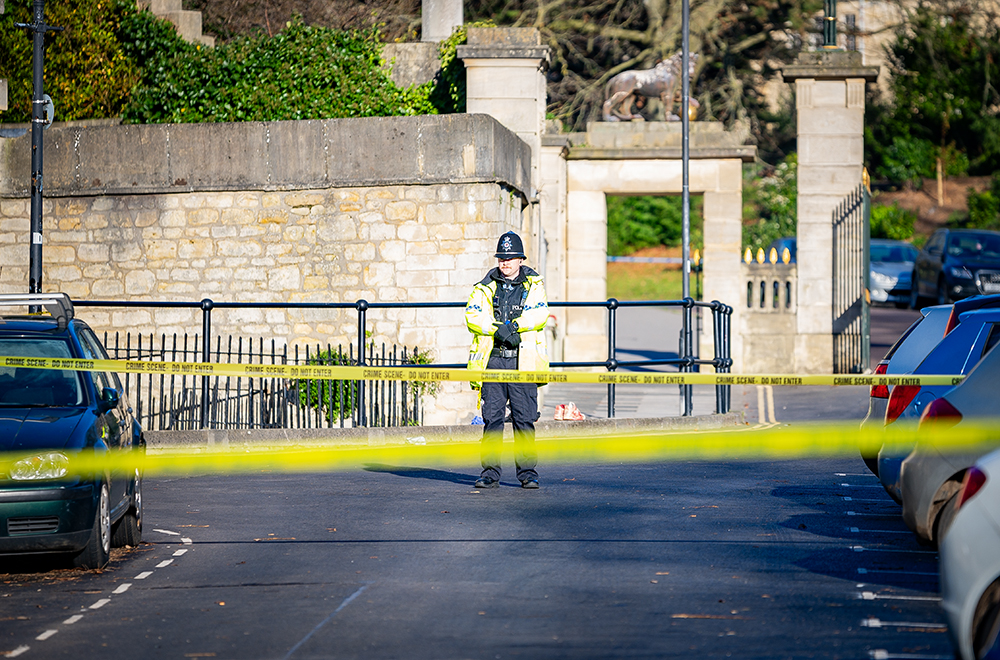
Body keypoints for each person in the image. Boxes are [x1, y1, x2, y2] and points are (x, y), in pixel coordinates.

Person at [465, 231, 549, 489]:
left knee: (524, 420)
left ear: (521, 260)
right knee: (492, 421)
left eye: (511, 258)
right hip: (494, 361)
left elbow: (540, 314)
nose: (505, 262)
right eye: (502, 258)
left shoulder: (534, 284)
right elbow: (472, 316)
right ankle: (490, 473)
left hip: (522, 361)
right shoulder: (484, 286)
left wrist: (513, 326)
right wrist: (496, 329)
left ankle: (528, 474)